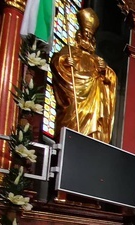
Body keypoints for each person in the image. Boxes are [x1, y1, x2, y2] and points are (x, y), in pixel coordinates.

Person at [50, 8, 117, 143]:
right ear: (79, 35)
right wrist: (64, 62)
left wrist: (105, 71)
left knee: (94, 127)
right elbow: (56, 63)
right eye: (85, 35)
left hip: (94, 104)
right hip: (75, 98)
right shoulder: (69, 51)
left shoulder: (96, 60)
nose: (88, 38)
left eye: (90, 36)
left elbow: (110, 80)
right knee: (71, 125)